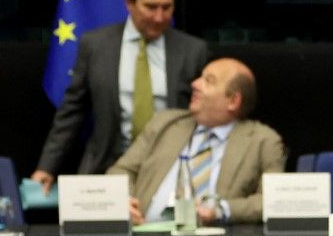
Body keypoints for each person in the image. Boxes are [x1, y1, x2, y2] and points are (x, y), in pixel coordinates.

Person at [32, 0, 208, 193]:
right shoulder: (95, 45)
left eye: (167, 7)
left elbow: (206, 116)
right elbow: (71, 112)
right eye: (151, 7)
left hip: (171, 171)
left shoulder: (193, 51)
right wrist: (47, 167)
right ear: (129, 2)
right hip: (106, 168)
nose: (159, 17)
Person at [107, 57, 285, 225]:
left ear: (233, 101)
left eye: (209, 81)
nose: (195, 84)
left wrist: (222, 209)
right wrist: (124, 200)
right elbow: (122, 170)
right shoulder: (165, 124)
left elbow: (273, 199)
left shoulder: (263, 141)